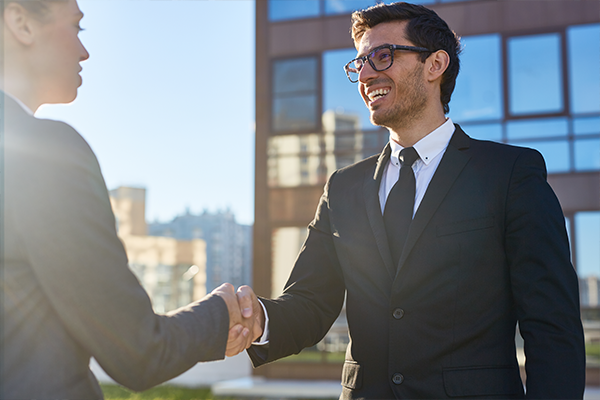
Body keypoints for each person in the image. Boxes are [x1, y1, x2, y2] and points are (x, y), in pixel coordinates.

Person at [236, 2, 586, 399]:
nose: (366, 74)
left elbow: (552, 327)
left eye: (382, 56)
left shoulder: (510, 173)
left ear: (435, 64)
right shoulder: (343, 187)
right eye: (359, 64)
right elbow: (310, 303)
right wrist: (255, 319)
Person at [0, 1, 259, 398]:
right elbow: (138, 351)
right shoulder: (45, 153)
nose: (84, 51)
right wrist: (219, 314)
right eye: (76, 27)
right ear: (21, 22)